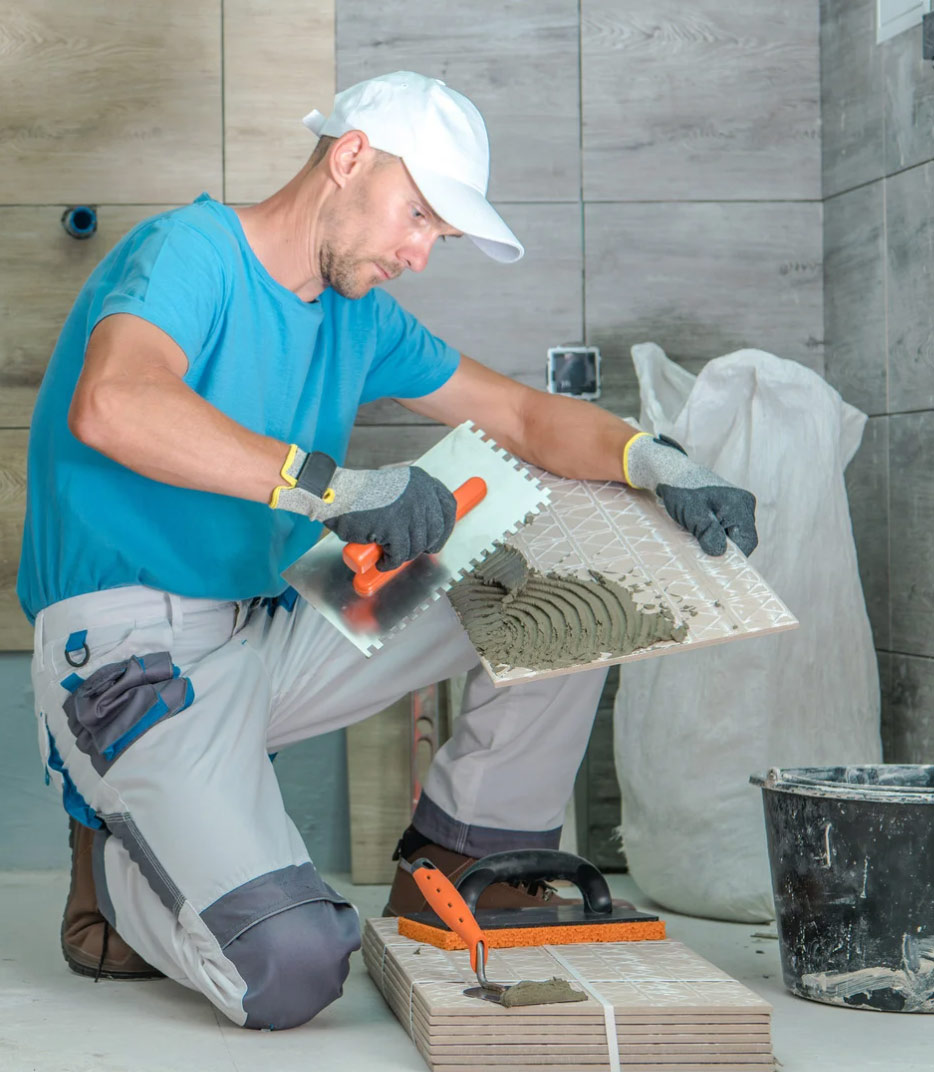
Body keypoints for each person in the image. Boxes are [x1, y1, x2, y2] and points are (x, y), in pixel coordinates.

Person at [17, 71, 758, 1030]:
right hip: (130, 660)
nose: (418, 253)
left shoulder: (356, 311)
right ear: (350, 157)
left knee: (555, 527)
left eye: (437, 237)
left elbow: (523, 416)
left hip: (269, 628)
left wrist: (649, 459)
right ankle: (115, 877)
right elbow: (116, 403)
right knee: (292, 968)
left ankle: (461, 859)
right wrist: (343, 490)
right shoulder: (187, 253)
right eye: (418, 217)